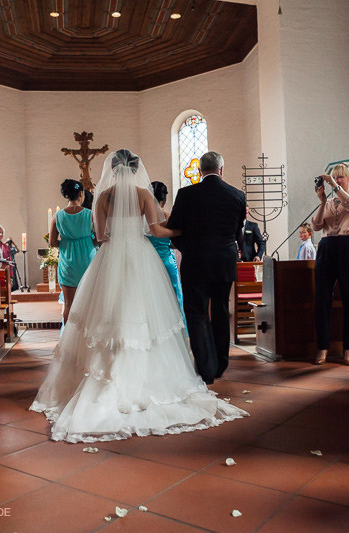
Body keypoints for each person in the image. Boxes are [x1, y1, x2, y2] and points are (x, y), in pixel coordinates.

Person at [30, 149, 247, 442]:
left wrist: (117, 238)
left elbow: (100, 236)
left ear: (113, 169)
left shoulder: (104, 196)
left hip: (109, 256)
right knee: (143, 312)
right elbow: (157, 229)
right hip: (141, 257)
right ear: (135, 169)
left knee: (108, 312)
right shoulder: (144, 194)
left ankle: (104, 374)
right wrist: (184, 231)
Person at [167, 151, 246, 384]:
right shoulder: (237, 195)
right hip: (225, 259)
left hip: (196, 261)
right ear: (221, 170)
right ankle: (221, 364)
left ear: (199, 171)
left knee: (197, 312)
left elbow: (174, 230)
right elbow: (237, 231)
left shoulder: (186, 194)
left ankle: (206, 369)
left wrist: (188, 247)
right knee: (221, 310)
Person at [311, 162, 349, 366]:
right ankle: (322, 347)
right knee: (322, 299)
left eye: (341, 177)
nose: (337, 180)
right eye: (335, 176)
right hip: (327, 247)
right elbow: (317, 226)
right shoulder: (330, 201)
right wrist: (322, 201)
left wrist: (335, 187)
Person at [50, 179, 96, 324]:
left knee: (69, 304)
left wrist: (66, 243)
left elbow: (52, 242)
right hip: (88, 260)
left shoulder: (58, 216)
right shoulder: (90, 214)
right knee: (89, 304)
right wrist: (89, 242)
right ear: (81, 194)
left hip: (68, 262)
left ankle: (68, 340)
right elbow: (100, 239)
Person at [148, 181, 185, 324]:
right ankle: (176, 327)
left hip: (148, 262)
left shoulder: (142, 218)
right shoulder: (168, 217)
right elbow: (175, 242)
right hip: (166, 260)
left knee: (151, 296)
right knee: (174, 295)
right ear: (165, 199)